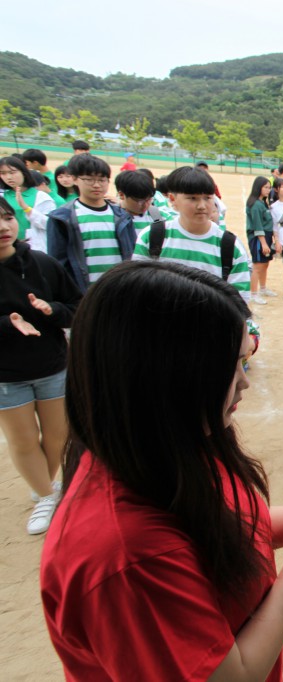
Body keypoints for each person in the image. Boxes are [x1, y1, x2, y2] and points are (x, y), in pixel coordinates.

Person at [39, 260, 283, 679]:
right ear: (165, 375)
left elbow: (230, 524)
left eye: (246, 360)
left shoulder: (164, 445)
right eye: (231, 366)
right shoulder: (126, 555)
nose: (245, 382)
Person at [0, 197, 80, 534]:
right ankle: (47, 495)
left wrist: (53, 311)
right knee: (23, 439)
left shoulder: (43, 264)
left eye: (6, 218)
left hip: (52, 365)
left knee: (58, 435)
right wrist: (8, 323)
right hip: (6, 374)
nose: (3, 228)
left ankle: (42, 485)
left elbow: (76, 305)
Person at [133, 167, 251, 301]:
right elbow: (138, 289)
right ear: (172, 199)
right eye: (193, 198)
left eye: (207, 198)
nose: (202, 206)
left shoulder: (231, 246)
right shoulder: (151, 237)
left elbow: (239, 303)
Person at [46, 154, 135, 293]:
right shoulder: (62, 218)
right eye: (89, 179)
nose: (97, 185)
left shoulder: (122, 216)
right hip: (84, 293)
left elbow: (132, 255)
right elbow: (58, 263)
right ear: (75, 179)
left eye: (102, 180)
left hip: (119, 290)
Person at [1, 155, 57, 252]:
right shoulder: (3, 197)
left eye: (12, 172)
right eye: (3, 173)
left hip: (35, 249)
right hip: (8, 249)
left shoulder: (41, 196)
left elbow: (51, 225)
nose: (8, 177)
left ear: (24, 173)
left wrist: (26, 208)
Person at [245, 176, 275, 305]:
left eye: (269, 187)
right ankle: (253, 294)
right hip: (258, 238)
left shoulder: (263, 202)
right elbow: (257, 225)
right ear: (258, 188)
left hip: (266, 235)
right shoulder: (255, 204)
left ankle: (262, 288)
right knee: (257, 265)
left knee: (265, 263)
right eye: (265, 187)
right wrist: (263, 243)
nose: (268, 190)